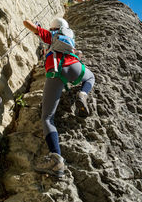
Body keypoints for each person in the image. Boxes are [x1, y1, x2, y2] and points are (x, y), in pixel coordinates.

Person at [23, 17, 95, 178]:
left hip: (57, 71)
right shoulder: (69, 38)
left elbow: (27, 24)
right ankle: (82, 94)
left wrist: (36, 28)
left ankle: (56, 159)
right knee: (91, 78)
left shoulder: (51, 35)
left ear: (54, 27)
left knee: (47, 118)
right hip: (75, 67)